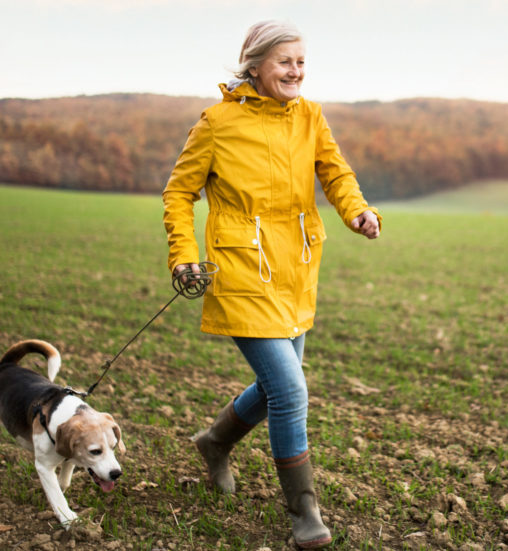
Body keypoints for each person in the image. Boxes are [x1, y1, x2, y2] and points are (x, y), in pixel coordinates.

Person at [162, 20, 381, 549]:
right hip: (239, 271)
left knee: (276, 386)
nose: (296, 71)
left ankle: (214, 443)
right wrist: (183, 255)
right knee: (289, 390)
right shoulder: (216, 123)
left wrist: (356, 211)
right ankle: (304, 510)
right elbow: (178, 193)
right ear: (255, 64)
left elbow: (336, 173)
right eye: (286, 62)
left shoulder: (310, 115)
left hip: (296, 268)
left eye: (301, 62)